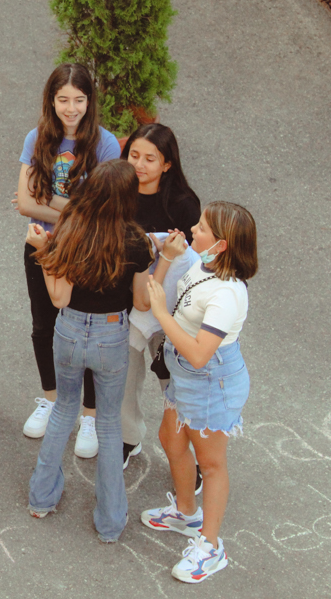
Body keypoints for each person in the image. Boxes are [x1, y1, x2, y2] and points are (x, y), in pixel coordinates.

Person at [25, 159, 161, 543]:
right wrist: (161, 261)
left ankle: (41, 498)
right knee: (108, 423)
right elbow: (141, 302)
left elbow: (59, 296)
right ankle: (110, 521)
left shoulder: (70, 230)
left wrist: (44, 252)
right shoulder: (137, 241)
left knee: (64, 410)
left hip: (69, 329)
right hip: (111, 334)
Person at [140, 202, 258, 584]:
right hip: (184, 375)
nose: (193, 227)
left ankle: (210, 545)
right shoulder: (203, 263)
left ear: (221, 245)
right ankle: (187, 513)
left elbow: (200, 354)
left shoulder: (228, 295)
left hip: (210, 382)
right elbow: (174, 245)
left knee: (211, 464)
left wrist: (160, 313)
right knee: (170, 440)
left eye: (202, 226)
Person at [15, 63, 121, 446]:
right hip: (41, 245)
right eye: (63, 99)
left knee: (87, 334)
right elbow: (25, 204)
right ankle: (52, 401)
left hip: (86, 250)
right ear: (51, 100)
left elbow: (102, 209)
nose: (71, 108)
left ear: (89, 102)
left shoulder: (106, 144)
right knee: (44, 327)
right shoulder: (37, 138)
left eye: (79, 100)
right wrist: (73, 205)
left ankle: (89, 417)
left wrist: (51, 200)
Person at [117, 123, 202, 468]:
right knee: (124, 378)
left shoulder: (184, 204)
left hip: (172, 311)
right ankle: (127, 439)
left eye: (150, 158)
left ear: (167, 164)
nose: (140, 164)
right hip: (126, 300)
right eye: (134, 155)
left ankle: (189, 455)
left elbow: (197, 263)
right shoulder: (119, 193)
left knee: (175, 382)